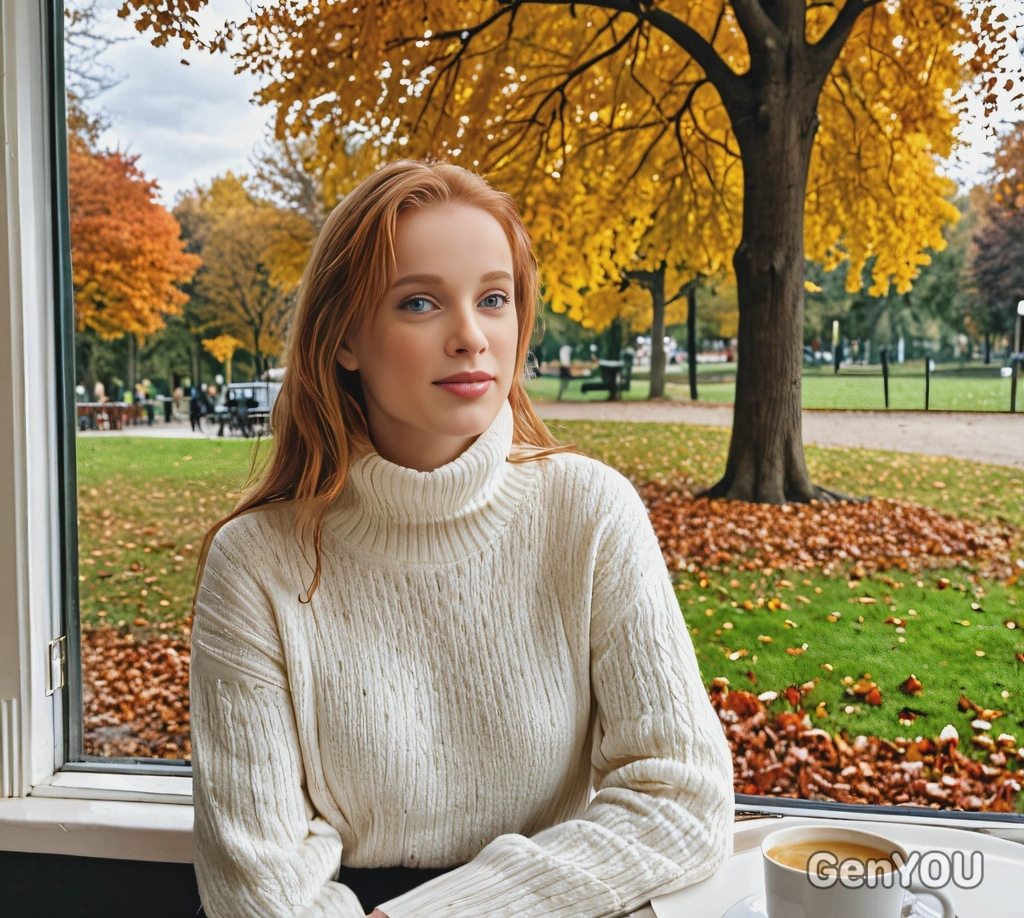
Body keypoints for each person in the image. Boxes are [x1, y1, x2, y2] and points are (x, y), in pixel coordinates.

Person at [188, 160, 733, 918]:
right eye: (419, 302)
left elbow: (682, 801)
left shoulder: (591, 513)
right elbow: (254, 884)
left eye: (494, 299)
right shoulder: (255, 564)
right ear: (345, 337)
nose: (472, 337)